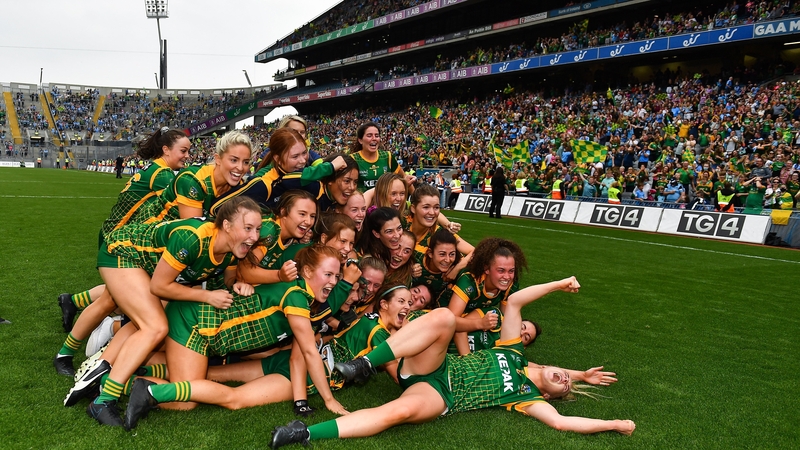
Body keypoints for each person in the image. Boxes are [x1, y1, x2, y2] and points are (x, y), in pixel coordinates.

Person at [269, 276, 635, 448]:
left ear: (551, 394)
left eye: (565, 385)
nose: (564, 380)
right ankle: (366, 365)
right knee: (444, 316)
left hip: (442, 396)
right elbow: (515, 302)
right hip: (435, 366)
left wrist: (614, 424)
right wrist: (559, 284)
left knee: (396, 413)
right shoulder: (513, 352)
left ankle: (303, 433)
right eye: (565, 376)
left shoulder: (528, 397)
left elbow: (562, 423)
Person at [65, 197, 262, 427]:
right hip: (121, 253)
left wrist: (237, 285)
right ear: (226, 225)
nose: (254, 236)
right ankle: (103, 399)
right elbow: (159, 286)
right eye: (248, 228)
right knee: (155, 327)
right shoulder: (193, 238)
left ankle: (102, 371)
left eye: (257, 229)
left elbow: (228, 279)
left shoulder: (230, 250)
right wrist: (207, 296)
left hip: (148, 267)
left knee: (153, 322)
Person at [122, 245, 354, 430]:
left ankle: (134, 377)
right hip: (194, 324)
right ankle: (129, 386)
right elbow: (309, 352)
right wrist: (329, 400)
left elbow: (299, 356)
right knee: (186, 402)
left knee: (192, 384)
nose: (333, 282)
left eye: (337, 276)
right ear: (308, 272)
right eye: (328, 274)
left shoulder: (300, 294)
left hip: (202, 328)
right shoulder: (296, 295)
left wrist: (300, 402)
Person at [54, 127, 191, 376]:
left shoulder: (156, 170)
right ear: (166, 149)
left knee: (114, 299)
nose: (187, 156)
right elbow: (185, 202)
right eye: (183, 150)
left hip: (122, 238)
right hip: (120, 241)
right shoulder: (162, 175)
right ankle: (72, 349)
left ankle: (77, 318)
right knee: (113, 300)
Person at [446, 237, 527, 355]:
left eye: (511, 271)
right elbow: (450, 321)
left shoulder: (511, 285)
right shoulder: (470, 281)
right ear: (486, 269)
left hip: (471, 319)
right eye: (501, 270)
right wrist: (480, 323)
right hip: (444, 317)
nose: (507, 277)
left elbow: (507, 320)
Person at [351, 122, 405, 192]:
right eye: (369, 136)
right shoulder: (353, 159)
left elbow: (404, 178)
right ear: (360, 140)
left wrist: (415, 196)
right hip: (363, 199)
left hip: (385, 199)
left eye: (376, 136)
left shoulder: (387, 156)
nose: (374, 138)